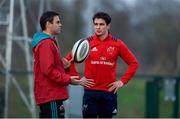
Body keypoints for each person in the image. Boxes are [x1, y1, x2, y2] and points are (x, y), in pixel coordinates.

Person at [66, 12, 139, 118]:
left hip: (109, 93)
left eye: (101, 24)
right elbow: (69, 61)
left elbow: (134, 63)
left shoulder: (117, 44)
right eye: (96, 24)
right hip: (90, 93)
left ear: (108, 26)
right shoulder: (86, 43)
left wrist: (122, 81)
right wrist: (78, 79)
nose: (98, 27)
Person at [31, 11, 94, 118]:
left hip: (52, 95)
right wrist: (68, 79)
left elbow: (50, 68)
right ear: (48, 24)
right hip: (50, 95)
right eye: (57, 22)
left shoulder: (49, 42)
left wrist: (64, 67)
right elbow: (48, 70)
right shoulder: (46, 43)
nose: (61, 24)